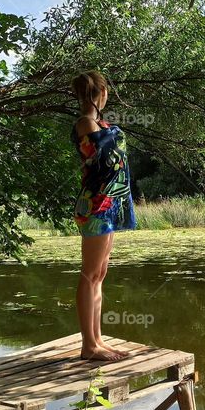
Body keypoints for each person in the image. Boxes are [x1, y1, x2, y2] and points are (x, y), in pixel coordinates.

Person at [70, 70, 137, 360]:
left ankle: (96, 340)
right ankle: (88, 345)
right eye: (105, 92)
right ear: (101, 93)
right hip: (95, 204)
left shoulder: (100, 123)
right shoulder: (86, 122)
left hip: (108, 204)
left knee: (99, 274)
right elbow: (103, 154)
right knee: (89, 274)